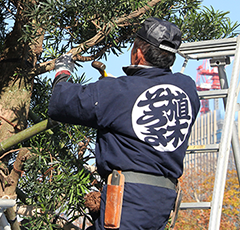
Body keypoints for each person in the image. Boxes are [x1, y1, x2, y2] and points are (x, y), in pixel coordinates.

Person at [48, 17, 200, 229]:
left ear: (138, 53)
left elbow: (62, 102)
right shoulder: (188, 89)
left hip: (127, 201)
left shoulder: (118, 90)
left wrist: (62, 72)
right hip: (162, 203)